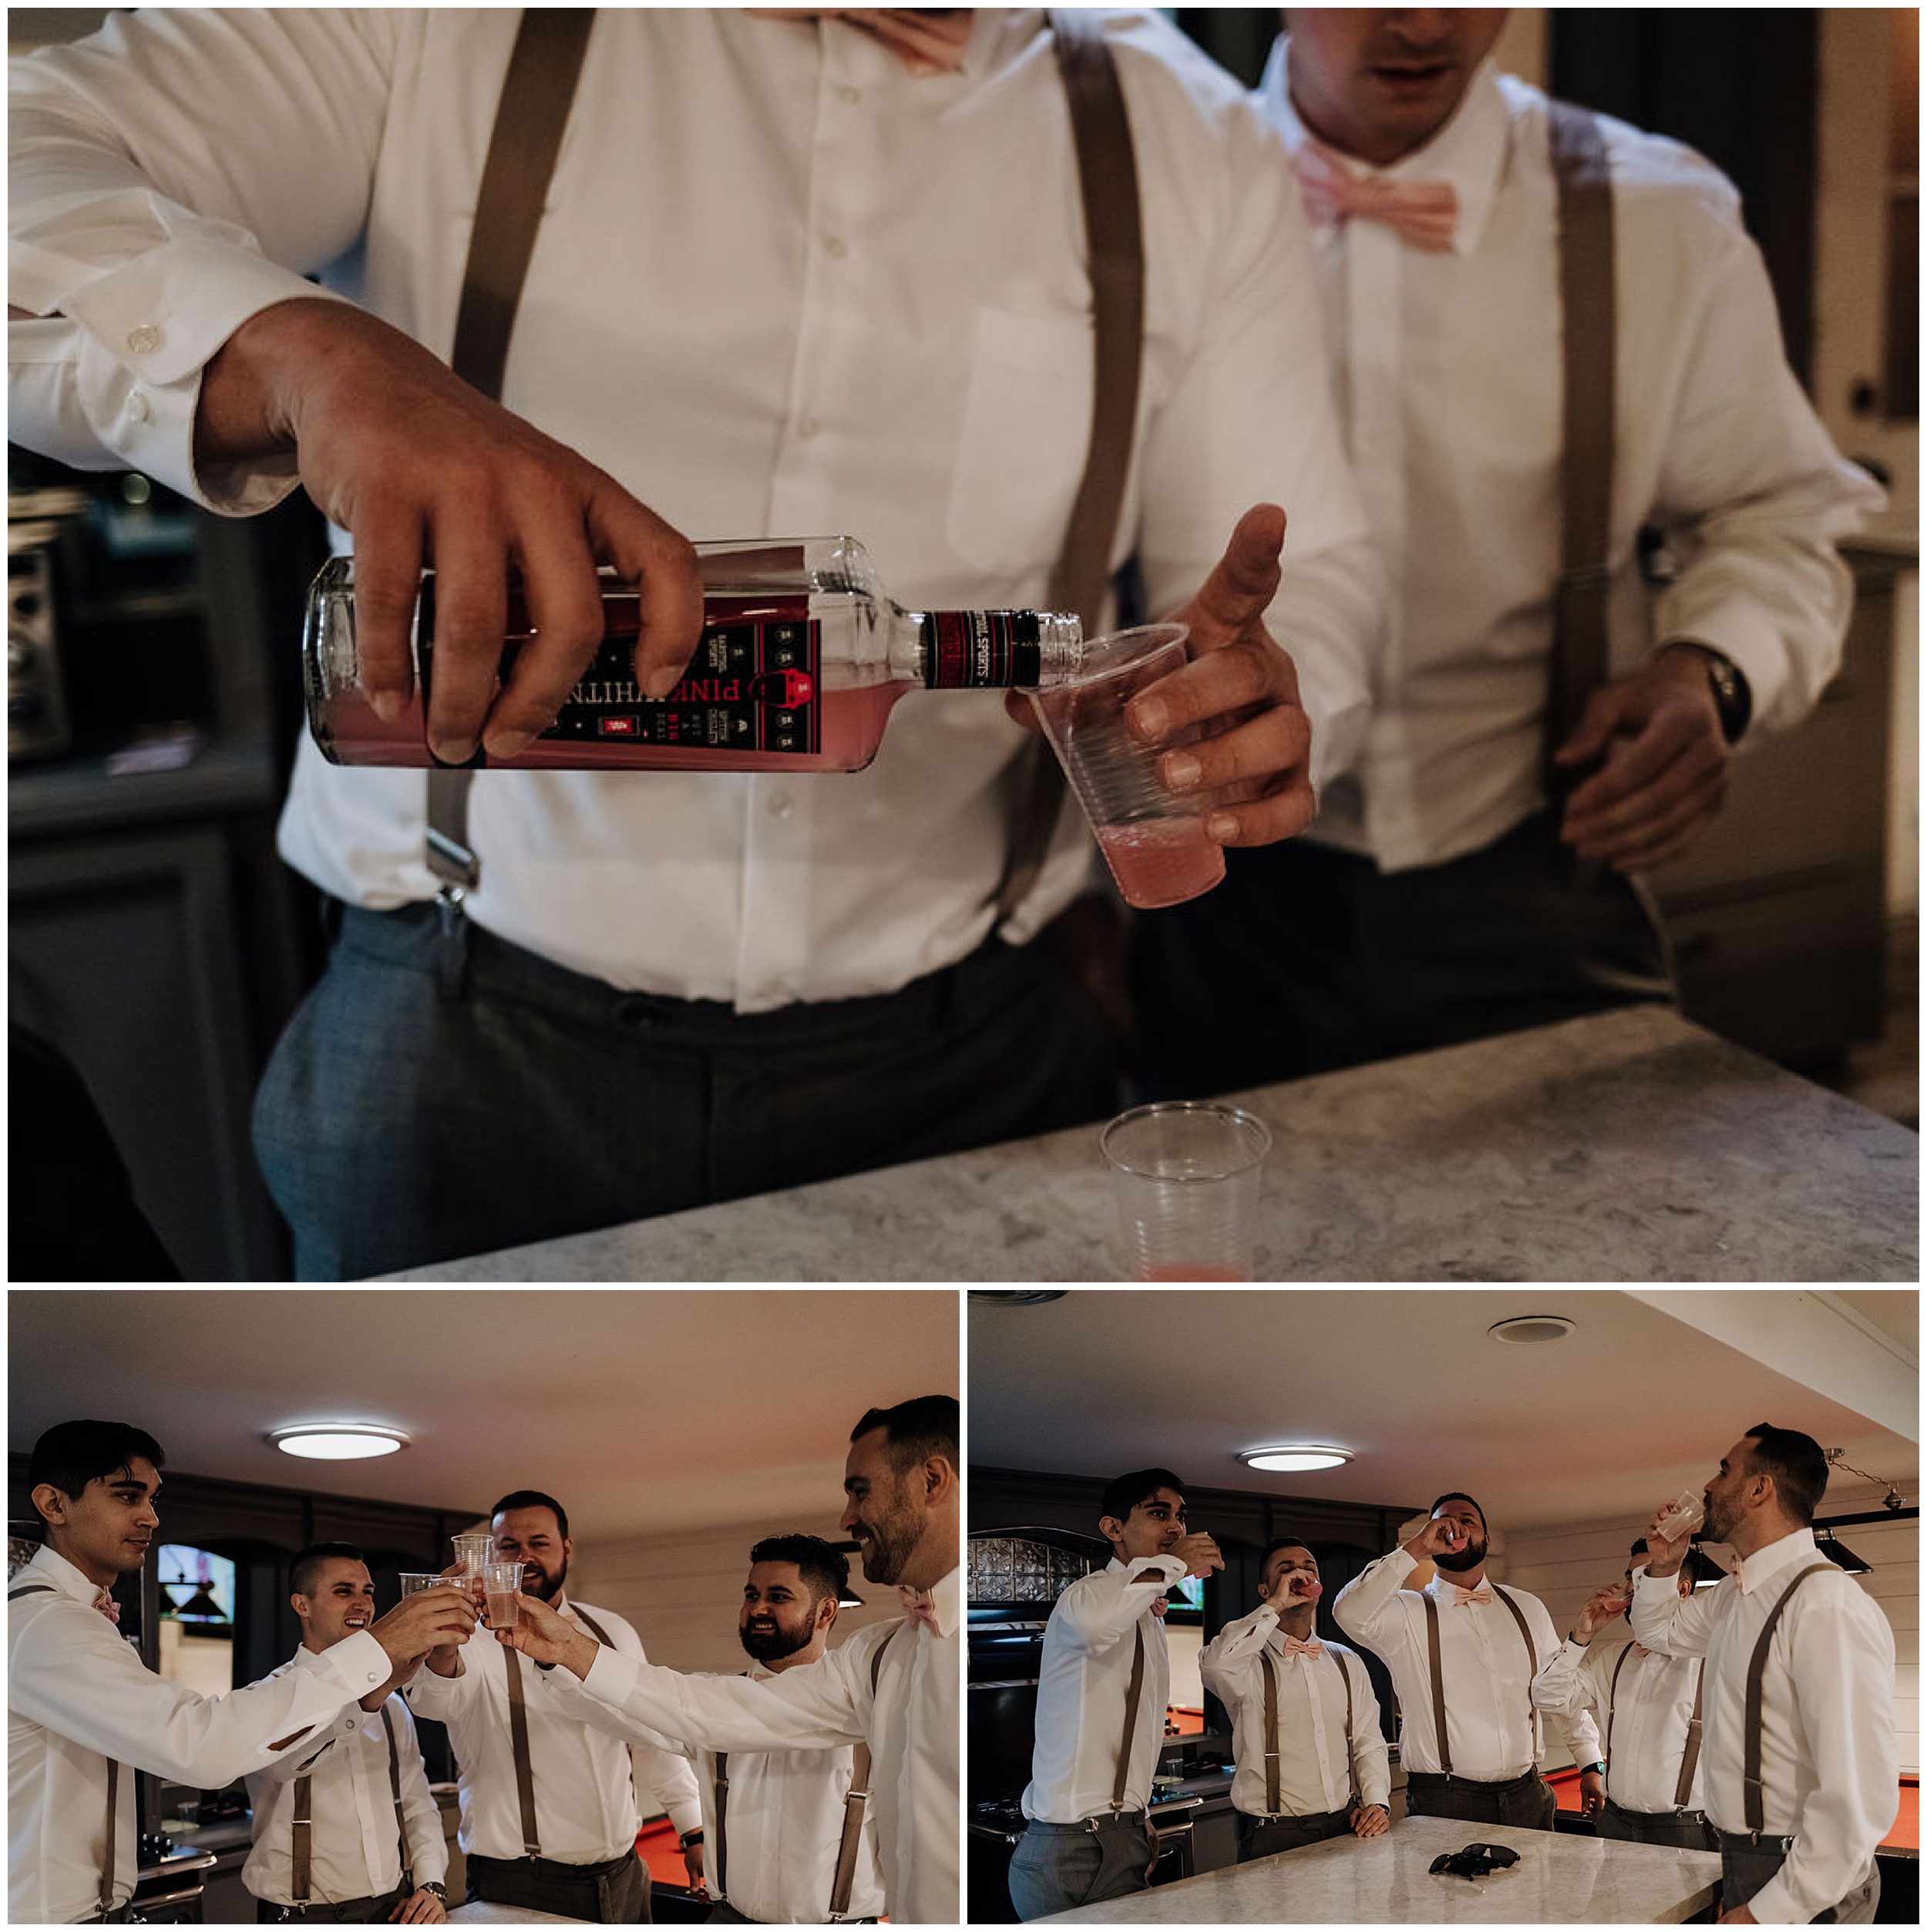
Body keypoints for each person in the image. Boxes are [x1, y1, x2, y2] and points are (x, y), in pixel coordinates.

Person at [8, 8, 1379, 1280]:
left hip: (975, 1056)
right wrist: (303, 352)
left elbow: (1297, 567)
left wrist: (1249, 692)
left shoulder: (1184, 132)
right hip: (464, 1041)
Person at [1132, 6, 1885, 1097]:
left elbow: (1779, 511)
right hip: (1217, 898)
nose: (1425, 19)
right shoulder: (1156, 197)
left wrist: (1713, 670)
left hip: (1537, 874)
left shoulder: (1655, 215)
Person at [489, 1396, 960, 1925]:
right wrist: (562, 1656)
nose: (847, 1516)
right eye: (751, 1594)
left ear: (932, 1480)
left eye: (860, 1490)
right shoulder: (880, 1659)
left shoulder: (909, 1655)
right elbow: (666, 1711)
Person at [8, 1420, 476, 1926]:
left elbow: (416, 1798)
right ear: (54, 1504)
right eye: (127, 1495)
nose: (151, 1517)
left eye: (152, 1498)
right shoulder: (46, 1623)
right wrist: (377, 1649)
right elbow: (202, 1746)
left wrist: (373, 1686)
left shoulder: (69, 1619)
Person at [1633, 1425, 1897, 1924]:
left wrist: (1768, 1909)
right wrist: (1664, 1566)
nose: (1709, 1486)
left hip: (1805, 1876)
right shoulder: (1733, 1595)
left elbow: (1858, 1798)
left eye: (1724, 1471)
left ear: (1760, 1488)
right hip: (1751, 1860)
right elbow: (1658, 1633)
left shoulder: (1825, 1604)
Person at [404, 1488, 702, 1923]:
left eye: (539, 1543)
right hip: (521, 1882)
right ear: (490, 1555)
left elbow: (649, 1734)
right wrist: (443, 1644)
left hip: (623, 1873)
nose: (524, 1557)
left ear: (567, 1549)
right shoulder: (471, 1638)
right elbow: (435, 1703)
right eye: (509, 1545)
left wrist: (692, 1827)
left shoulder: (613, 1629)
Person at [559, 1532, 886, 1927]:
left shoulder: (867, 1710)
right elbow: (618, 1712)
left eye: (778, 1597)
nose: (757, 1608)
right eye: (752, 1595)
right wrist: (553, 1662)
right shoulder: (706, 1705)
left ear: (826, 1612)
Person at [1006, 1468, 1224, 1919]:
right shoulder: (1085, 1597)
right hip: (1070, 1848)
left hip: (1122, 1835)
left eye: (1181, 1517)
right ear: (1113, 1528)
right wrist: (1173, 1565)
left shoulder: (1147, 1612)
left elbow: (1135, 1723)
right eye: (1159, 1513)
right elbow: (1096, 1626)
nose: (1176, 1527)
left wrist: (1136, 1814)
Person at [1332, 1491, 1602, 1830]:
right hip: (1444, 1799)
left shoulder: (1526, 1607)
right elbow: (1348, 1612)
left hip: (1527, 1793)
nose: (1455, 1528)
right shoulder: (1405, 1612)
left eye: (1467, 1521)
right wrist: (1417, 1547)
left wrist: (1589, 1763)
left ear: (1487, 1539)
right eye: (1443, 1522)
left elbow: (1557, 1687)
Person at [242, 1544, 450, 1924]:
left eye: (367, 1592)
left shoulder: (392, 1706)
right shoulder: (269, 1696)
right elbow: (287, 1764)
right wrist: (364, 1703)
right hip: (305, 1917)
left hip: (394, 1909)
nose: (363, 1604)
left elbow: (417, 1804)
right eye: (344, 1591)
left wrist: (431, 1883)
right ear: (302, 1605)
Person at [1199, 1534, 1391, 1860]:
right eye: (1286, 1570)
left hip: (1346, 1825)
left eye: (1308, 1568)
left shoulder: (1346, 1661)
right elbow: (1214, 1664)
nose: (1300, 1576)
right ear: (1264, 1590)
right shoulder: (1246, 1663)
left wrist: (1377, 1801)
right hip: (1274, 1834)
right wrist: (1276, 1605)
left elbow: (1367, 1741)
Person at [1529, 1537, 1720, 1852]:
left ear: (1682, 1589)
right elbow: (1547, 1696)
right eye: (1631, 1578)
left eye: (1646, 1577)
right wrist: (1582, 1635)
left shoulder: (1715, 1659)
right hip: (1614, 1824)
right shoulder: (1612, 1658)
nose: (1632, 1589)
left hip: (1687, 1830)